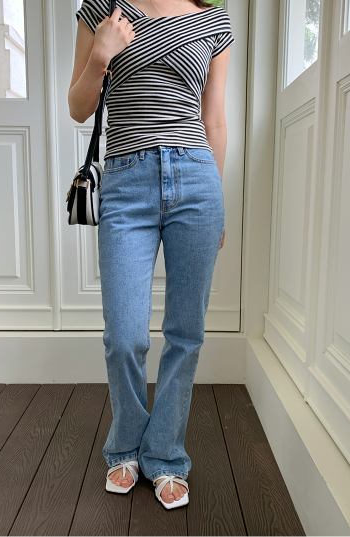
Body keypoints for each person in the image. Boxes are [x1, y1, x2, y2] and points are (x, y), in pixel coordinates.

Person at [68, 0, 234, 510]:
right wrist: (100, 57)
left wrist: (218, 200)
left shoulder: (213, 19)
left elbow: (214, 119)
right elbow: (78, 107)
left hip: (197, 181)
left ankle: (164, 454)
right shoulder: (103, 8)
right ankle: (125, 445)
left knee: (186, 331)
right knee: (124, 336)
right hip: (126, 182)